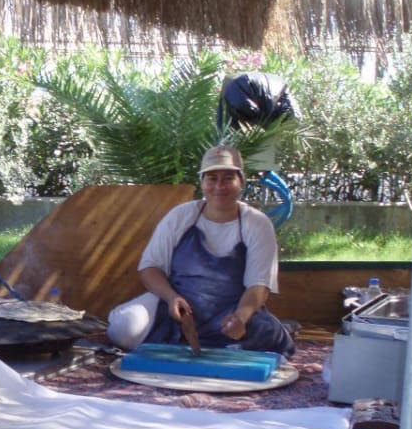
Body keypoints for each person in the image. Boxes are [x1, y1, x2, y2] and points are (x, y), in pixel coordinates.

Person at [107, 144, 295, 356]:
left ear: (241, 181)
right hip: (178, 306)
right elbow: (150, 268)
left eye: (228, 178)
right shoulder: (180, 216)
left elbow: (258, 285)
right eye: (212, 178)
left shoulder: (257, 223)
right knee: (125, 328)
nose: (219, 186)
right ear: (203, 182)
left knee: (268, 335)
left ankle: (188, 346)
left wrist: (241, 317)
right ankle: (210, 346)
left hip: (230, 309)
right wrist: (171, 298)